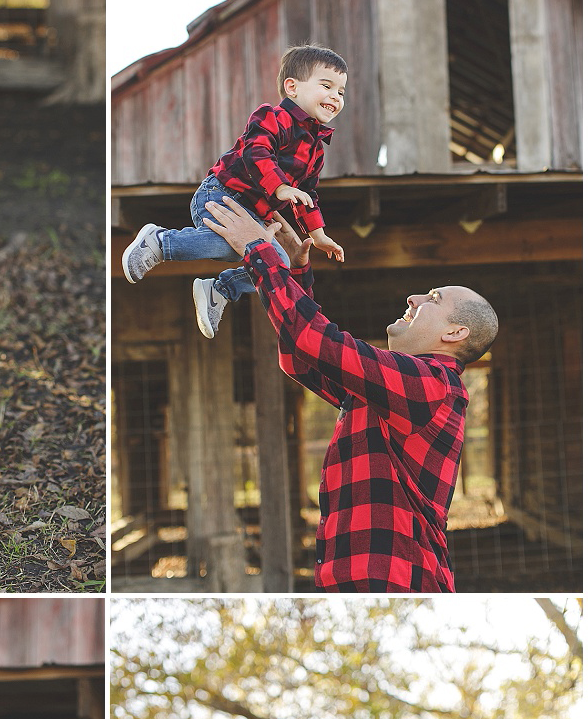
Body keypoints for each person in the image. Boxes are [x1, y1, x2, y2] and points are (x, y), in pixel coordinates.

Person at [201, 192, 499, 592]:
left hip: (393, 583)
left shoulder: (433, 386)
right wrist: (296, 271)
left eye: (433, 299)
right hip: (360, 580)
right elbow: (301, 359)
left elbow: (315, 340)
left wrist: (257, 251)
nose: (414, 298)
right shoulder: (392, 392)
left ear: (455, 333)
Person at [120, 46, 347, 342]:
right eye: (327, 86)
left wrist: (318, 235)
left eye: (341, 92)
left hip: (254, 215)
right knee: (235, 245)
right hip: (221, 194)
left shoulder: (316, 150)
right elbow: (257, 151)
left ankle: (219, 290)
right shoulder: (272, 116)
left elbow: (308, 194)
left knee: (275, 262)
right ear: (292, 87)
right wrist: (279, 187)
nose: (335, 97)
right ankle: (161, 242)